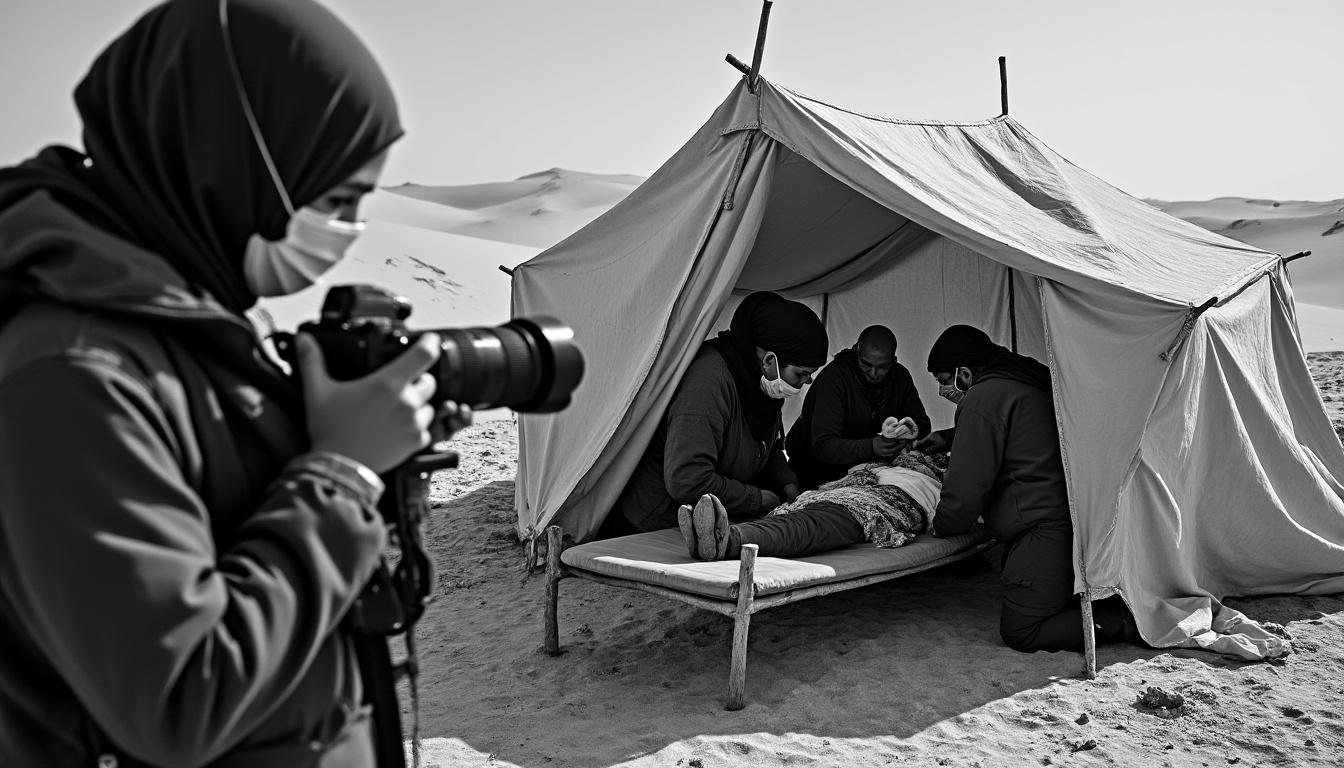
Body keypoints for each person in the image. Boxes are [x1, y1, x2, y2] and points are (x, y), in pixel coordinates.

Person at [0, 1, 466, 765]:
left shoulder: (191, 319)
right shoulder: (74, 373)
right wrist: (343, 473)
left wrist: (372, 461)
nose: (348, 231)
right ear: (229, 162)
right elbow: (180, 695)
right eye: (335, 199)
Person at [915, 325, 1138, 653]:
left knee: (1022, 631)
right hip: (1078, 518)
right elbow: (1020, 429)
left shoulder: (981, 398)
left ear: (964, 373)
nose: (942, 390)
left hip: (1043, 528)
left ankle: (1125, 621)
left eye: (943, 380)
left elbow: (964, 490)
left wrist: (943, 526)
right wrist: (950, 437)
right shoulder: (1028, 378)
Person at [605, 291, 828, 534]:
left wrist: (787, 483)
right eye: (801, 374)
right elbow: (687, 478)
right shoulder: (709, 382)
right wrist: (755, 499)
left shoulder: (761, 384)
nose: (806, 382)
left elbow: (766, 444)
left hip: (706, 521)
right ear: (769, 361)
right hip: (654, 525)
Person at [677, 450, 949, 561]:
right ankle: (713, 536)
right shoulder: (890, 462)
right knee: (796, 513)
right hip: (851, 487)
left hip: (889, 499)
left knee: (815, 524)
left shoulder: (944, 479)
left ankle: (728, 540)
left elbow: (957, 506)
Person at [786, 324, 931, 490]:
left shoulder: (900, 377)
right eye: (866, 364)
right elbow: (823, 446)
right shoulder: (834, 378)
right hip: (814, 474)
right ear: (857, 352)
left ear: (893, 361)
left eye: (882, 367)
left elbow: (922, 424)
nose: (873, 373)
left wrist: (902, 435)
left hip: (865, 474)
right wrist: (871, 446)